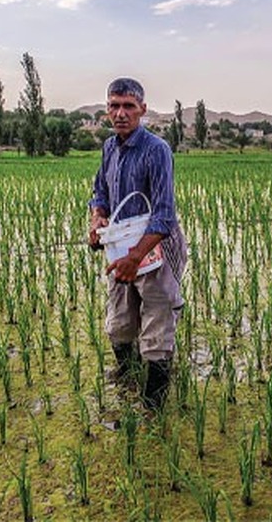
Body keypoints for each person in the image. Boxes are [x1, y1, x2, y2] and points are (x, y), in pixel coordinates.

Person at [88, 77, 187, 411]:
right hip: (121, 246)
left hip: (154, 246)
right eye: (114, 105)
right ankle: (128, 377)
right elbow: (99, 192)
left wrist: (135, 257)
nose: (120, 113)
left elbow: (163, 215)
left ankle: (153, 404)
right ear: (106, 110)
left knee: (157, 321)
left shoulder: (156, 150)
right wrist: (97, 219)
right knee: (119, 321)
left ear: (142, 110)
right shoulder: (108, 147)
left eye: (128, 106)